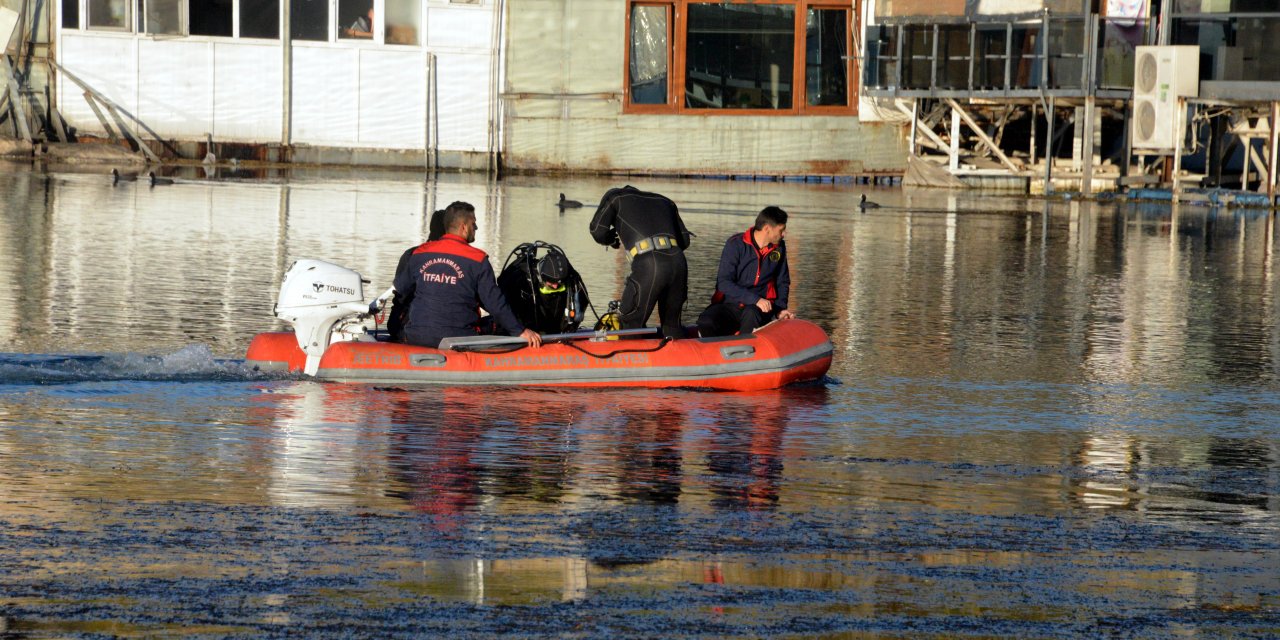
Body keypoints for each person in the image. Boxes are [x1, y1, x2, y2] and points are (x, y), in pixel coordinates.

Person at [392, 201, 542, 348]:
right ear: (464, 227)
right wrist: (520, 330)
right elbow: (495, 304)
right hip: (459, 338)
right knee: (499, 323)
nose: (476, 227)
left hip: (416, 336)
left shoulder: (419, 253)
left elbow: (400, 288)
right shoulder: (477, 259)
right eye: (473, 223)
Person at [588, 185, 691, 339]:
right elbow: (685, 240)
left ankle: (630, 357)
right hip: (678, 262)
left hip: (649, 265)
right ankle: (679, 354)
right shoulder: (665, 201)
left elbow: (597, 231)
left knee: (630, 326)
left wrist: (611, 240)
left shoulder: (615, 197)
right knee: (672, 326)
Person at [696, 206, 795, 337]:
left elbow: (782, 281)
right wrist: (755, 299)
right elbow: (724, 283)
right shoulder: (735, 244)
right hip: (730, 304)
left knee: (751, 313)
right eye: (781, 230)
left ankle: (745, 352)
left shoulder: (779, 248)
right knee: (706, 320)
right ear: (767, 229)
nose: (784, 234)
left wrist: (780, 310)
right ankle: (708, 352)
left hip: (759, 309)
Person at [387, 208, 446, 342]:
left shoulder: (411, 254)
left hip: (401, 322)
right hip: (413, 326)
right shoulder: (457, 259)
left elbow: (399, 293)